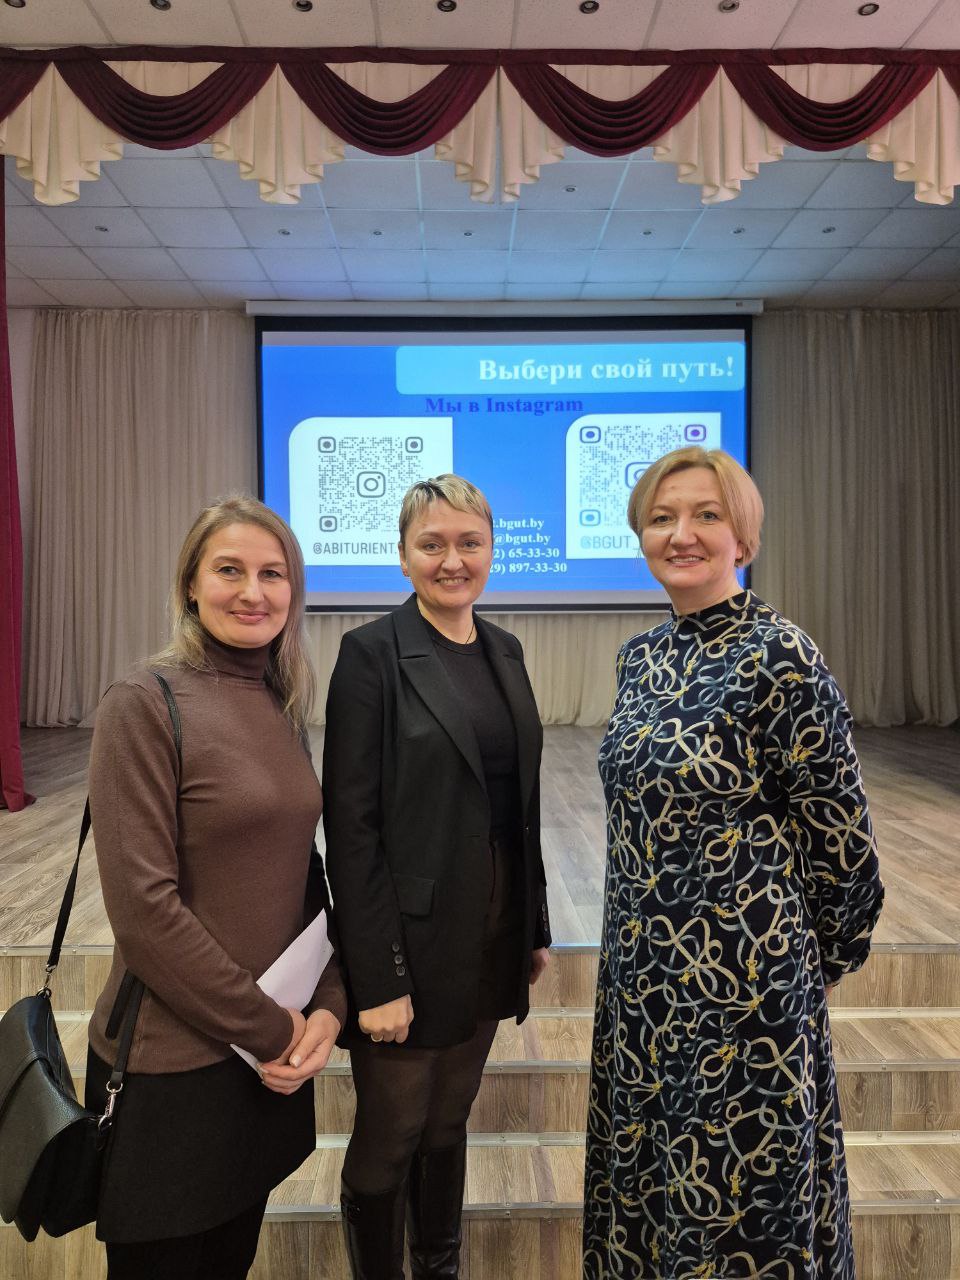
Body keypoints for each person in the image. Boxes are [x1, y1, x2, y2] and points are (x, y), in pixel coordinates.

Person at [582, 447, 884, 1280]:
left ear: (742, 538)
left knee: (740, 1206)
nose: (680, 533)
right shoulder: (641, 657)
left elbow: (844, 846)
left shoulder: (782, 656)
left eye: (705, 515)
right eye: (661, 517)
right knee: (653, 1192)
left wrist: (803, 968)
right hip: (643, 987)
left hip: (743, 994)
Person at [85, 496, 346, 1280]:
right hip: (174, 1069)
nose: (252, 592)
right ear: (190, 586)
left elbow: (305, 874)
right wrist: (272, 1030)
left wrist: (329, 1004)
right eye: (229, 570)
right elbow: (144, 914)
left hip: (262, 1062)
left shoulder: (279, 701)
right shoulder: (143, 703)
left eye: (273, 574)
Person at [322, 474, 552, 1279]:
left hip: (490, 930)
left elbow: (519, 806)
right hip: (408, 942)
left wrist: (532, 926)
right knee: (392, 1135)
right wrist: (379, 975)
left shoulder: (504, 650)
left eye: (469, 542)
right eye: (432, 544)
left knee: (450, 1121)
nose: (453, 560)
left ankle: (439, 1267)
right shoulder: (370, 655)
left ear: (492, 550)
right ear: (402, 555)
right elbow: (351, 829)